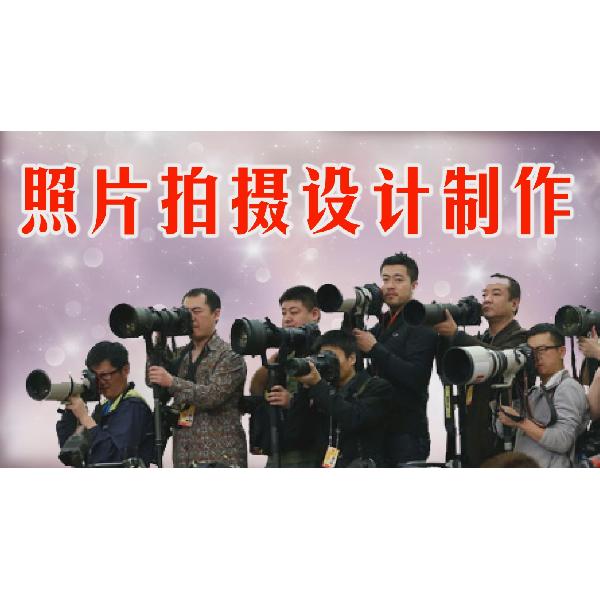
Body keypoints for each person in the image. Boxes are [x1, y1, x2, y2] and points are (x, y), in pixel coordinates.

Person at [434, 273, 527, 466]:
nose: (487, 299)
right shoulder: (480, 339)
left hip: (504, 442)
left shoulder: (523, 339)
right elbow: (447, 372)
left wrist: (456, 335)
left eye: (496, 294)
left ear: (514, 303)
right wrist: (444, 337)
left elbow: (501, 358)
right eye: (484, 294)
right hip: (471, 438)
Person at [353, 252, 437, 465]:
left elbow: (416, 377)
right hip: (378, 429)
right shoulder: (384, 322)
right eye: (385, 279)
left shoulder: (421, 321)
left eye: (398, 280)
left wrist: (375, 348)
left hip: (406, 433)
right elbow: (353, 349)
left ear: (414, 285)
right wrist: (355, 313)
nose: (390, 286)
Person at [148, 288, 247, 467]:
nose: (191, 318)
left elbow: (212, 396)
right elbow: (153, 382)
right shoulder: (180, 355)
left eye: (197, 311)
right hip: (184, 456)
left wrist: (172, 381)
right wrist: (159, 341)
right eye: (186, 313)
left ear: (216, 314)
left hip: (221, 458)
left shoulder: (230, 356)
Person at [291, 330, 392, 467]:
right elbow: (297, 433)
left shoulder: (377, 387)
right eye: (322, 357)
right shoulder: (322, 390)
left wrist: (318, 385)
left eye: (331, 357)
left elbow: (354, 418)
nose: (327, 363)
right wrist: (304, 390)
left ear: (351, 359)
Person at [248, 285, 321, 467]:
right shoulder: (283, 353)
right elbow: (255, 389)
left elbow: (327, 401)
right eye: (284, 313)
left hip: (308, 450)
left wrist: (291, 401)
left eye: (294, 312)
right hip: (279, 445)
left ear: (314, 314)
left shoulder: (323, 350)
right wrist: (273, 358)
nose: (287, 318)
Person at [497, 323, 588, 467]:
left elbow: (563, 441)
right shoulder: (534, 392)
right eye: (531, 351)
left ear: (561, 351)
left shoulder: (568, 387)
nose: (535, 357)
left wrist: (520, 422)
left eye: (542, 349)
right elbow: (504, 432)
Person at [56, 341, 154, 466]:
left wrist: (85, 418)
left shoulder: (133, 406)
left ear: (125, 370)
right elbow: (71, 455)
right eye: (95, 377)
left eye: (105, 375)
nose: (100, 382)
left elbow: (114, 459)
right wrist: (70, 413)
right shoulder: (104, 407)